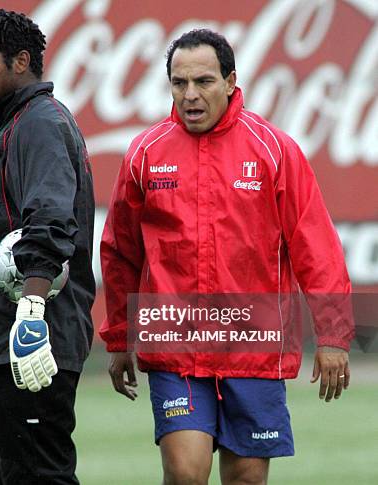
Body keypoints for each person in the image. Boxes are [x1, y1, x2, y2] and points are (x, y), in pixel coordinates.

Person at [100, 29, 354, 485]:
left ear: (231, 81)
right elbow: (121, 251)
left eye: (204, 81)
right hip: (175, 344)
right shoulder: (144, 154)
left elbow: (315, 244)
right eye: (179, 83)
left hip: (252, 347)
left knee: (246, 480)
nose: (190, 95)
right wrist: (120, 337)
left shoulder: (275, 149)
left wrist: (333, 336)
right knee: (185, 473)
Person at [0, 9, 95, 485]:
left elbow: (52, 222)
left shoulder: (38, 123)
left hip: (28, 341)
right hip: (2, 341)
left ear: (21, 62)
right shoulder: (15, 125)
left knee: (39, 479)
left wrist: (31, 312)